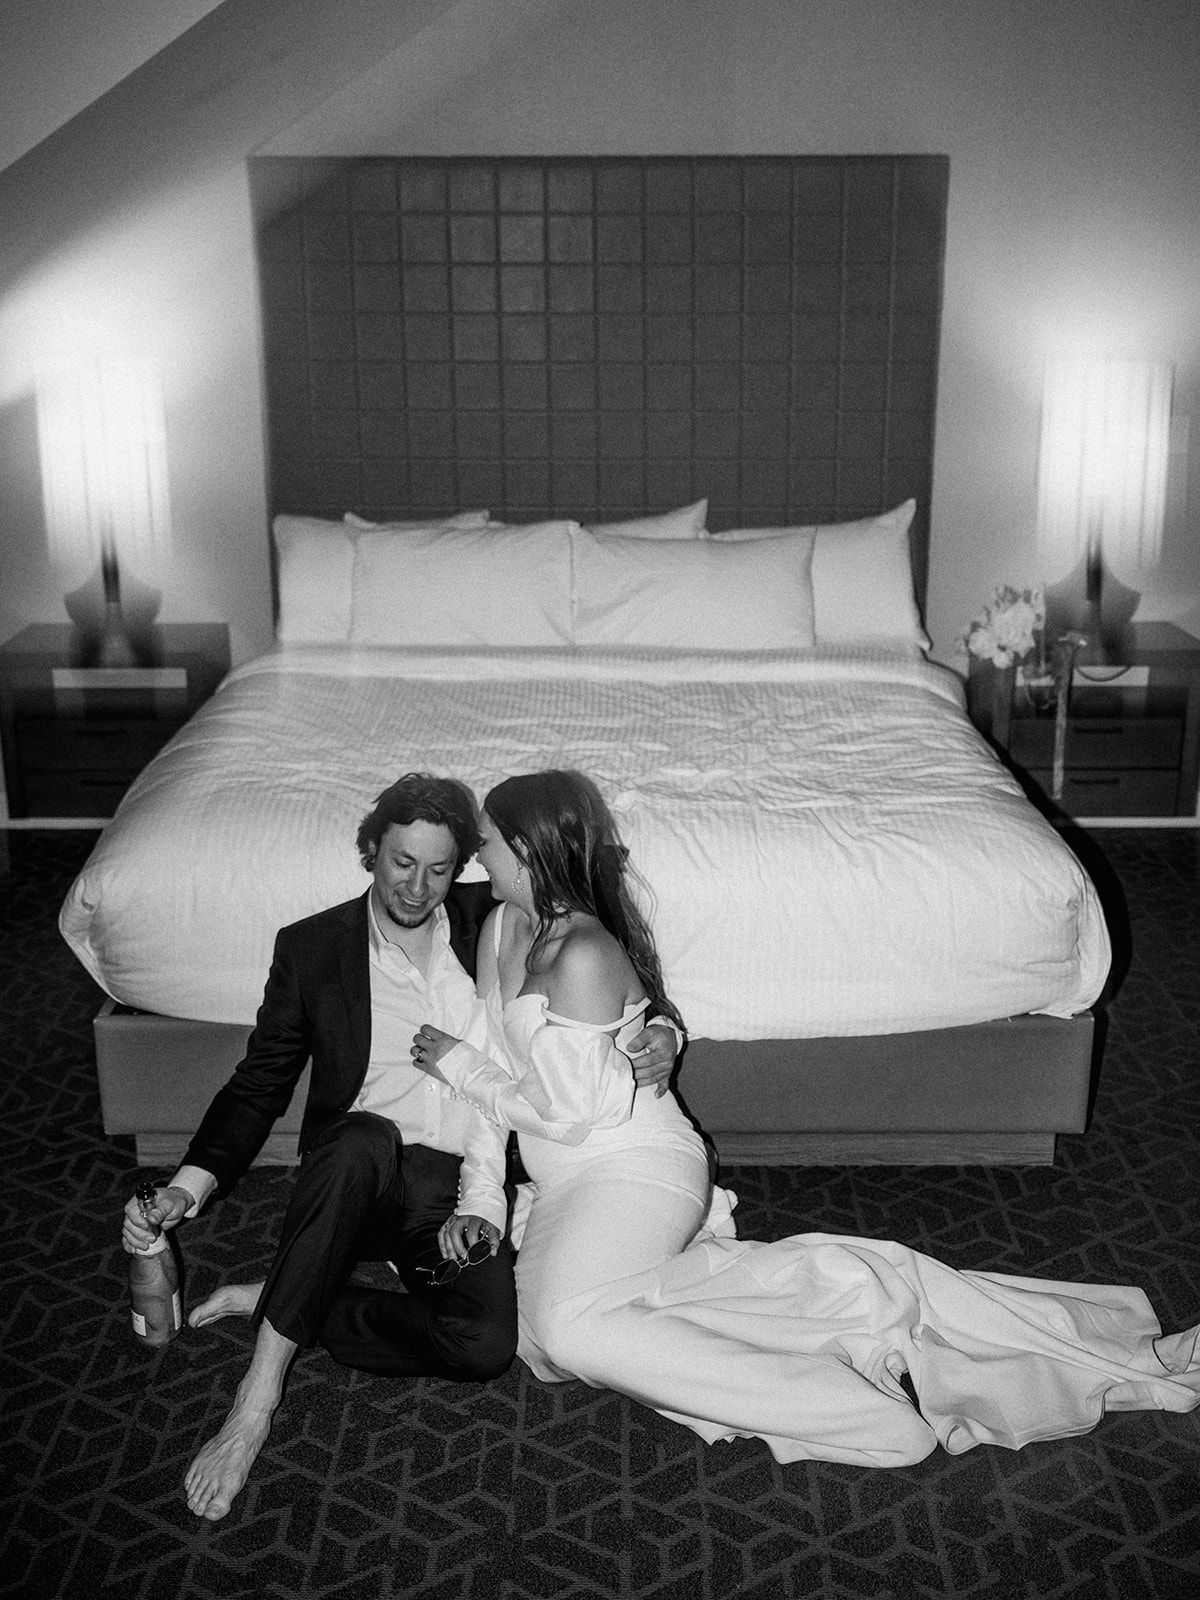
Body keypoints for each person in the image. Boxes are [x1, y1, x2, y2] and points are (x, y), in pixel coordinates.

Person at [411, 769, 1200, 1467]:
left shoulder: (581, 952)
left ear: (528, 847)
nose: (478, 856)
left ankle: (862, 1415)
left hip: (630, 1167)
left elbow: (558, 1106)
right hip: (566, 1175)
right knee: (534, 1334)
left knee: (569, 1327)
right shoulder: (501, 928)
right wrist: (479, 1197)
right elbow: (503, 1075)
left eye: (489, 844)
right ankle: (827, 1317)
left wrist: (461, 1066)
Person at [120, 772, 679, 1520]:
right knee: (357, 1141)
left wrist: (662, 1036)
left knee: (483, 1347)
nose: (418, 887)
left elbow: (613, 969)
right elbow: (259, 1083)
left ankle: (295, 1296)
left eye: (440, 867)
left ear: (467, 866)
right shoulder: (313, 949)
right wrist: (188, 1187)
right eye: (401, 863)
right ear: (371, 853)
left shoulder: (500, 916)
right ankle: (255, 1400)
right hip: (357, 1176)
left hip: (456, 1185)